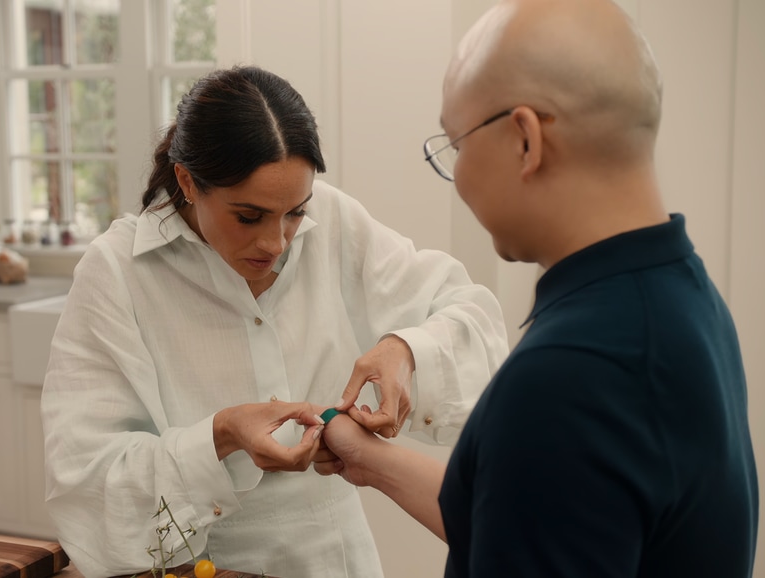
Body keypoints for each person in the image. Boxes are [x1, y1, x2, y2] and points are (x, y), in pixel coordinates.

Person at [317, 0, 760, 577]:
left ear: (525, 139)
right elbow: (537, 512)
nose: (459, 178)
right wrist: (369, 460)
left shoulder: (571, 374)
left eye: (456, 145)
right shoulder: (679, 296)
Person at [40, 65, 510, 578]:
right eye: (249, 216)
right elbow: (85, 478)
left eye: (294, 212)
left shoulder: (333, 221)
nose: (276, 242)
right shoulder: (117, 272)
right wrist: (221, 435)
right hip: (201, 568)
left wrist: (405, 348)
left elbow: (471, 312)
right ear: (186, 182)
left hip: (340, 562)